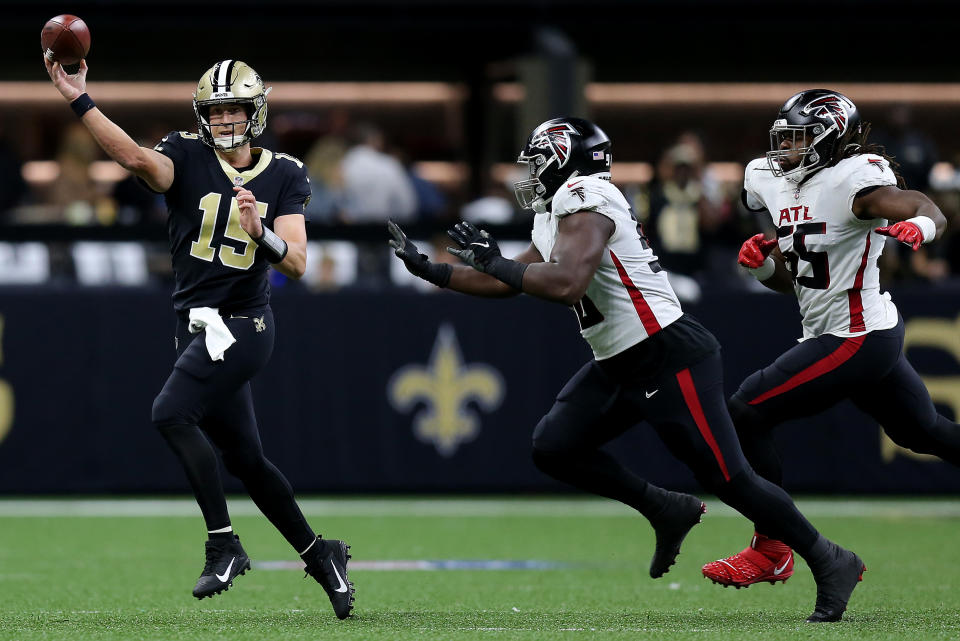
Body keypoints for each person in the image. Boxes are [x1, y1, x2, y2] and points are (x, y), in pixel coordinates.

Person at [389, 117, 866, 622]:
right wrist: (435, 271)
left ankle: (829, 558)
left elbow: (566, 282)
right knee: (555, 445)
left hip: (666, 352)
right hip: (620, 360)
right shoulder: (557, 209)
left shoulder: (587, 196)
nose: (529, 172)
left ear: (565, 158)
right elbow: (517, 277)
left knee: (729, 477)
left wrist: (496, 263)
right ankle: (665, 507)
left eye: (537, 159)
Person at [44, 56, 354, 619]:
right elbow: (135, 158)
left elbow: (300, 264)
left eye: (235, 107)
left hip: (245, 324)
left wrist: (261, 234)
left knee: (169, 413)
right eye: (216, 110)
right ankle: (321, 553)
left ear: (255, 110)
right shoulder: (185, 153)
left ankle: (224, 544)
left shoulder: (285, 172)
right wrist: (78, 98)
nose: (226, 118)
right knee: (247, 460)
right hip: (196, 326)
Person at [702, 89, 960, 589]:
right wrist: (765, 270)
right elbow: (797, 277)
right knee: (923, 433)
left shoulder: (854, 181)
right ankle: (775, 548)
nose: (786, 150)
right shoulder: (772, 181)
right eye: (783, 139)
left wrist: (920, 228)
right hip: (853, 332)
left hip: (856, 334)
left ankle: (772, 549)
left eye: (798, 139)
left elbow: (926, 206)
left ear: (830, 138)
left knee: (746, 411)